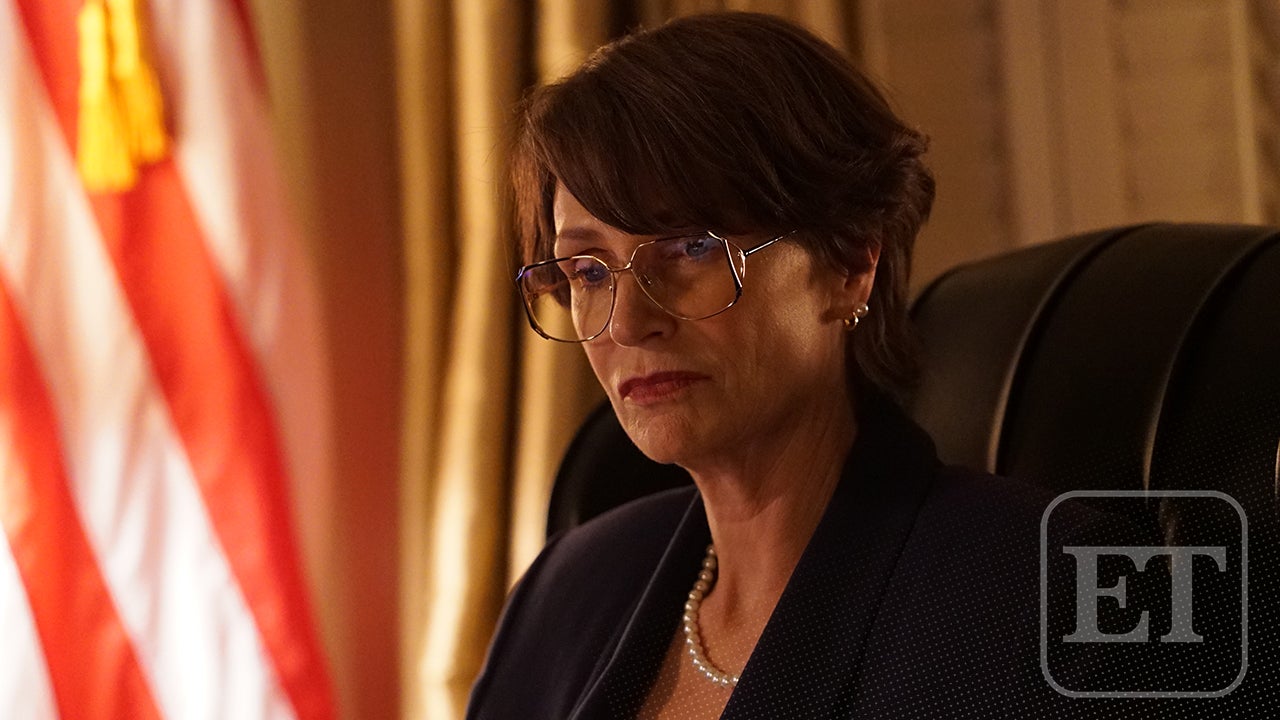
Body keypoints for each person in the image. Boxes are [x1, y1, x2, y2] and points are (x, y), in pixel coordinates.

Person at [467, 12, 1132, 719]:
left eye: (691, 248)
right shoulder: (564, 593)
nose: (628, 322)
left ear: (849, 263)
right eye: (588, 270)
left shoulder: (1045, 596)